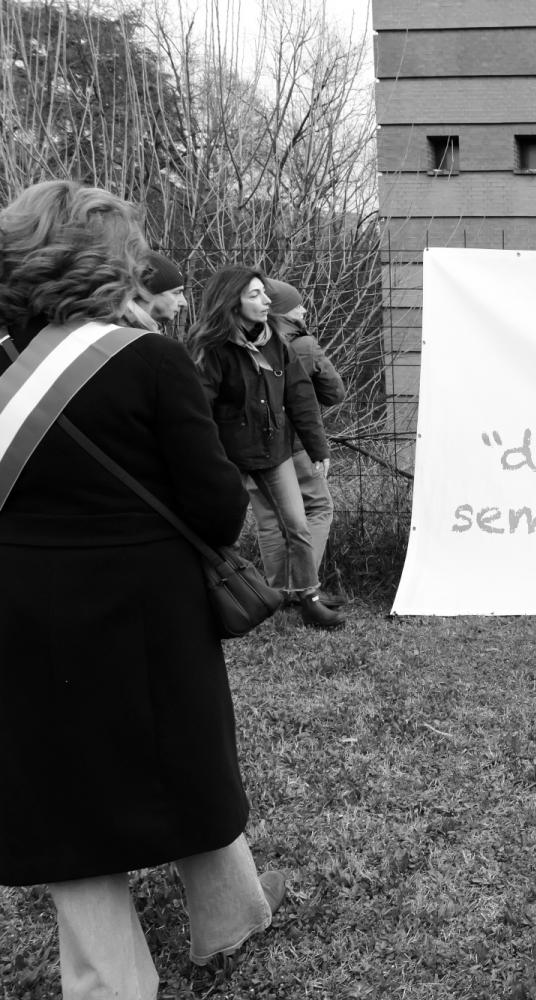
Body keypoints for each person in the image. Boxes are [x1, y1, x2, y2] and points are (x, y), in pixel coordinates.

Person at [0, 180, 286, 998]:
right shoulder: (152, 358)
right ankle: (229, 922)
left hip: (23, 604)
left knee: (61, 783)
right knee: (185, 757)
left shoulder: (6, 366)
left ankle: (107, 979)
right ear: (113, 264)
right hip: (151, 606)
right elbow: (218, 507)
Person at [188, 266, 344, 628]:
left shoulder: (277, 343)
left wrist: (318, 448)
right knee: (220, 529)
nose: (266, 301)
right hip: (227, 457)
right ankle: (218, 598)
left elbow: (300, 395)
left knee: (297, 524)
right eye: (255, 295)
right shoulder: (211, 348)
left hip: (275, 452)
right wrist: (204, 458)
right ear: (233, 302)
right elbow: (199, 407)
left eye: (265, 293)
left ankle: (309, 599)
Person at [248, 277, 348, 606]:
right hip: (294, 444)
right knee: (319, 507)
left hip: (253, 445)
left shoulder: (246, 342)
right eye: (297, 306)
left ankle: (278, 592)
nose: (304, 310)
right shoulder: (301, 345)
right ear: (283, 312)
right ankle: (305, 587)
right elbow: (334, 393)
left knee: (268, 519)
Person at [120, 250, 188, 332]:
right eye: (176, 293)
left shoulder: (124, 327)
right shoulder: (131, 335)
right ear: (146, 292)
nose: (184, 303)